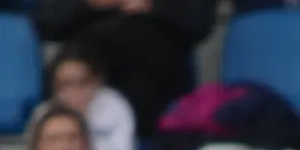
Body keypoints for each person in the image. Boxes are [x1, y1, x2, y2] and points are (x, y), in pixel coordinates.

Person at [32, 0, 214, 134]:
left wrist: (153, 5)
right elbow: (47, 22)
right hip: (90, 57)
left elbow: (200, 22)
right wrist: (91, 4)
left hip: (156, 63)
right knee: (68, 75)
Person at [45, 45, 137, 150]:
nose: (74, 91)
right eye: (66, 84)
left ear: (96, 81)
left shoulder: (115, 108)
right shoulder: (43, 115)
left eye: (82, 82)